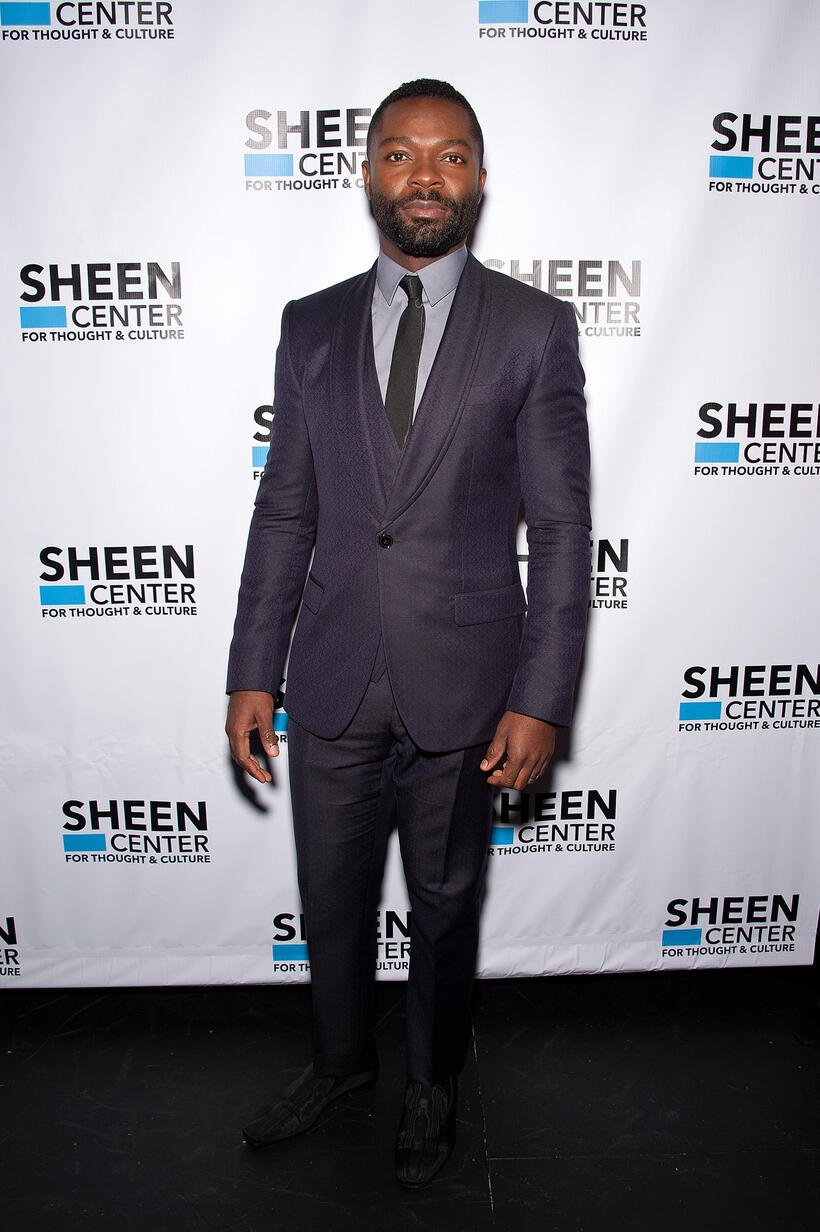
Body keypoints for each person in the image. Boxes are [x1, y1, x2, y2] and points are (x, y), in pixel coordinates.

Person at [225, 78, 591, 1187]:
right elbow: (286, 506)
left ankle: (430, 1078)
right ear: (368, 171)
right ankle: (341, 1062)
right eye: (398, 152)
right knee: (330, 900)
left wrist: (542, 694)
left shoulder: (533, 327)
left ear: (478, 177)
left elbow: (565, 524)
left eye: (449, 155)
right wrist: (252, 670)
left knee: (443, 907)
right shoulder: (311, 324)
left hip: (468, 687)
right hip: (329, 676)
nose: (423, 175)